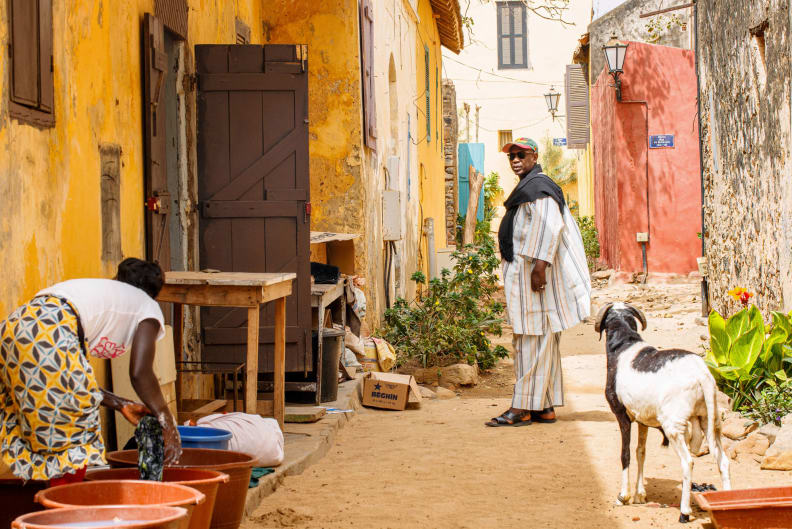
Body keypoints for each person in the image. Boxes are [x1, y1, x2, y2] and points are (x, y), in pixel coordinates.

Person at [0, 258, 182, 484]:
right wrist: (168, 423)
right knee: (76, 434)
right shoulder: (147, 306)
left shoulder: (93, 293)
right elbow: (140, 373)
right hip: (51, 331)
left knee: (51, 435)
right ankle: (66, 505)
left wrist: (120, 403)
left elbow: (74, 385)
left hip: (15, 327)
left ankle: (56, 500)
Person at [486, 138, 591, 427]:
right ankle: (544, 406)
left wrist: (539, 268)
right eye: (512, 156)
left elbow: (549, 227)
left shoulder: (539, 189)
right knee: (537, 337)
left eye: (521, 155)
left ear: (535, 156)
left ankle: (521, 408)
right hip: (526, 274)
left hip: (534, 277)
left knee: (532, 337)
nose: (515, 160)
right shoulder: (529, 187)